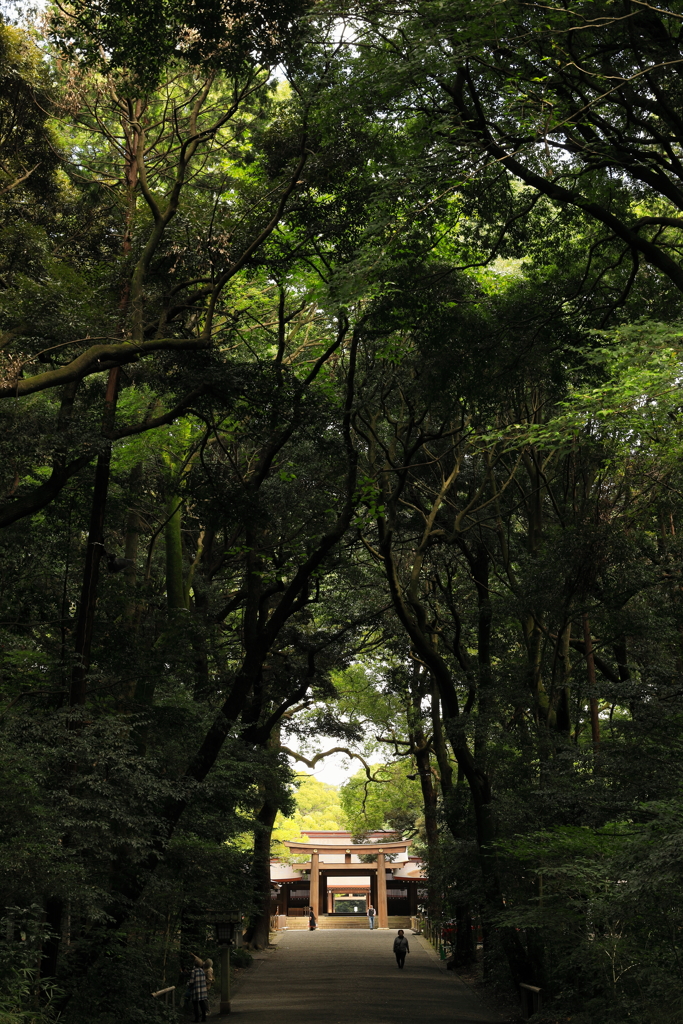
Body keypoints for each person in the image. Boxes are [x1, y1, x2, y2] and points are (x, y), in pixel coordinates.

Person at [190, 955, 209, 1022]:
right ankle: (204, 1017)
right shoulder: (202, 971)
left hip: (196, 990)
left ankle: (197, 1018)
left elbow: (191, 981)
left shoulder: (194, 971)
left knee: (195, 1005)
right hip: (203, 990)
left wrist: (189, 985)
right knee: (202, 1004)